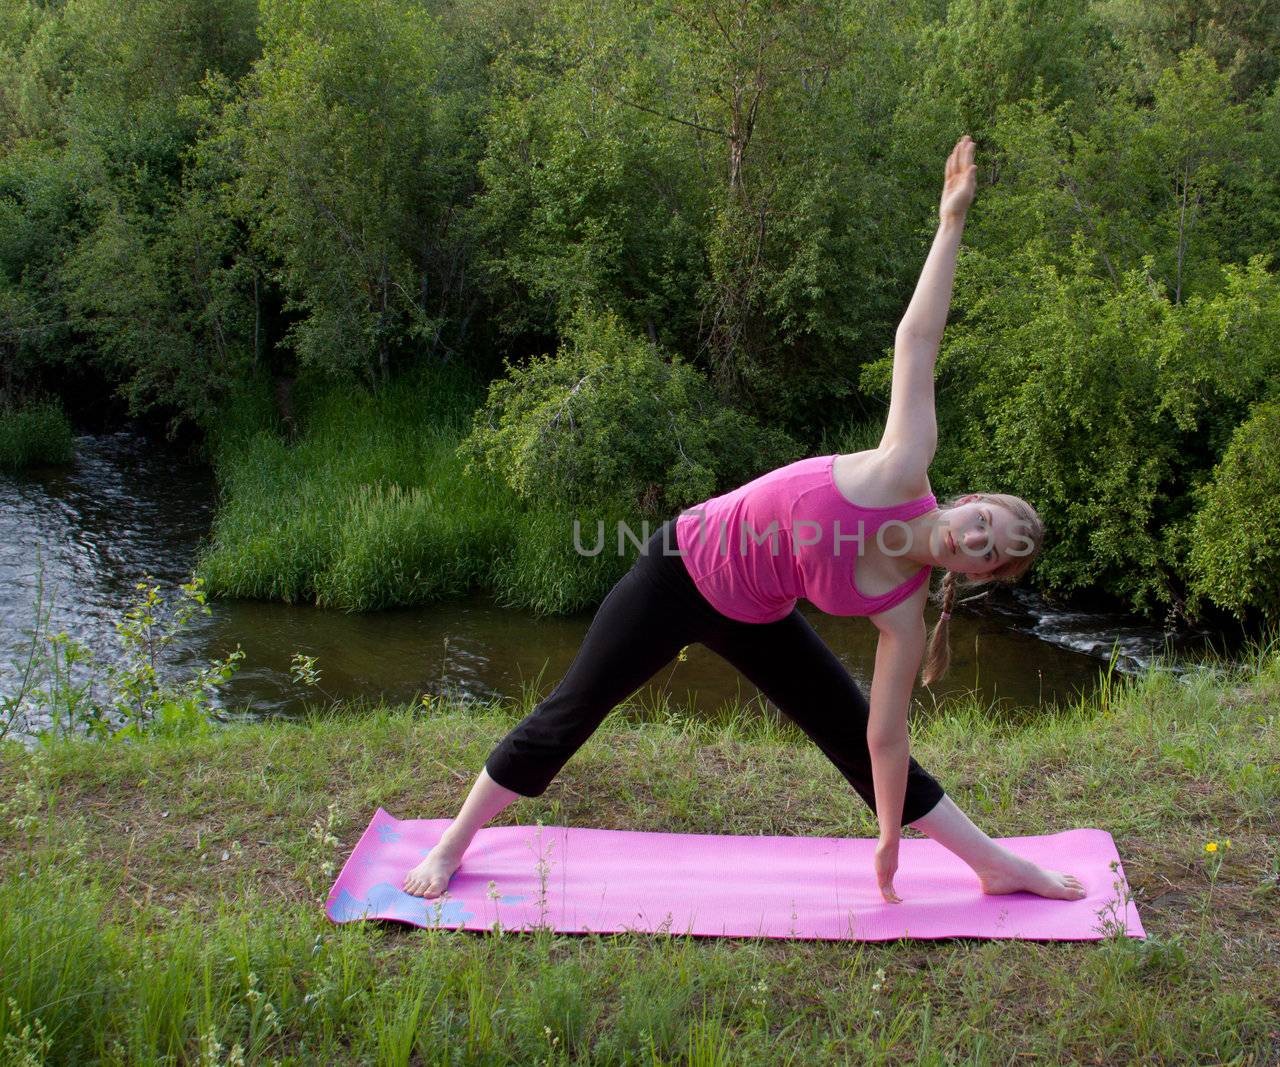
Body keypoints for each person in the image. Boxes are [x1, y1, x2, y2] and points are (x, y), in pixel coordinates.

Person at [404, 136, 1085, 905]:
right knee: (574, 707)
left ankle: (994, 864)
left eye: (991, 553)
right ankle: (453, 840)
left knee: (850, 727)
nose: (977, 539)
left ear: (977, 575)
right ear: (970, 501)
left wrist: (890, 833)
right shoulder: (904, 465)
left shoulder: (905, 613)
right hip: (679, 570)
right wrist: (950, 223)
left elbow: (886, 739)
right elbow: (916, 339)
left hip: (757, 613)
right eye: (986, 521)